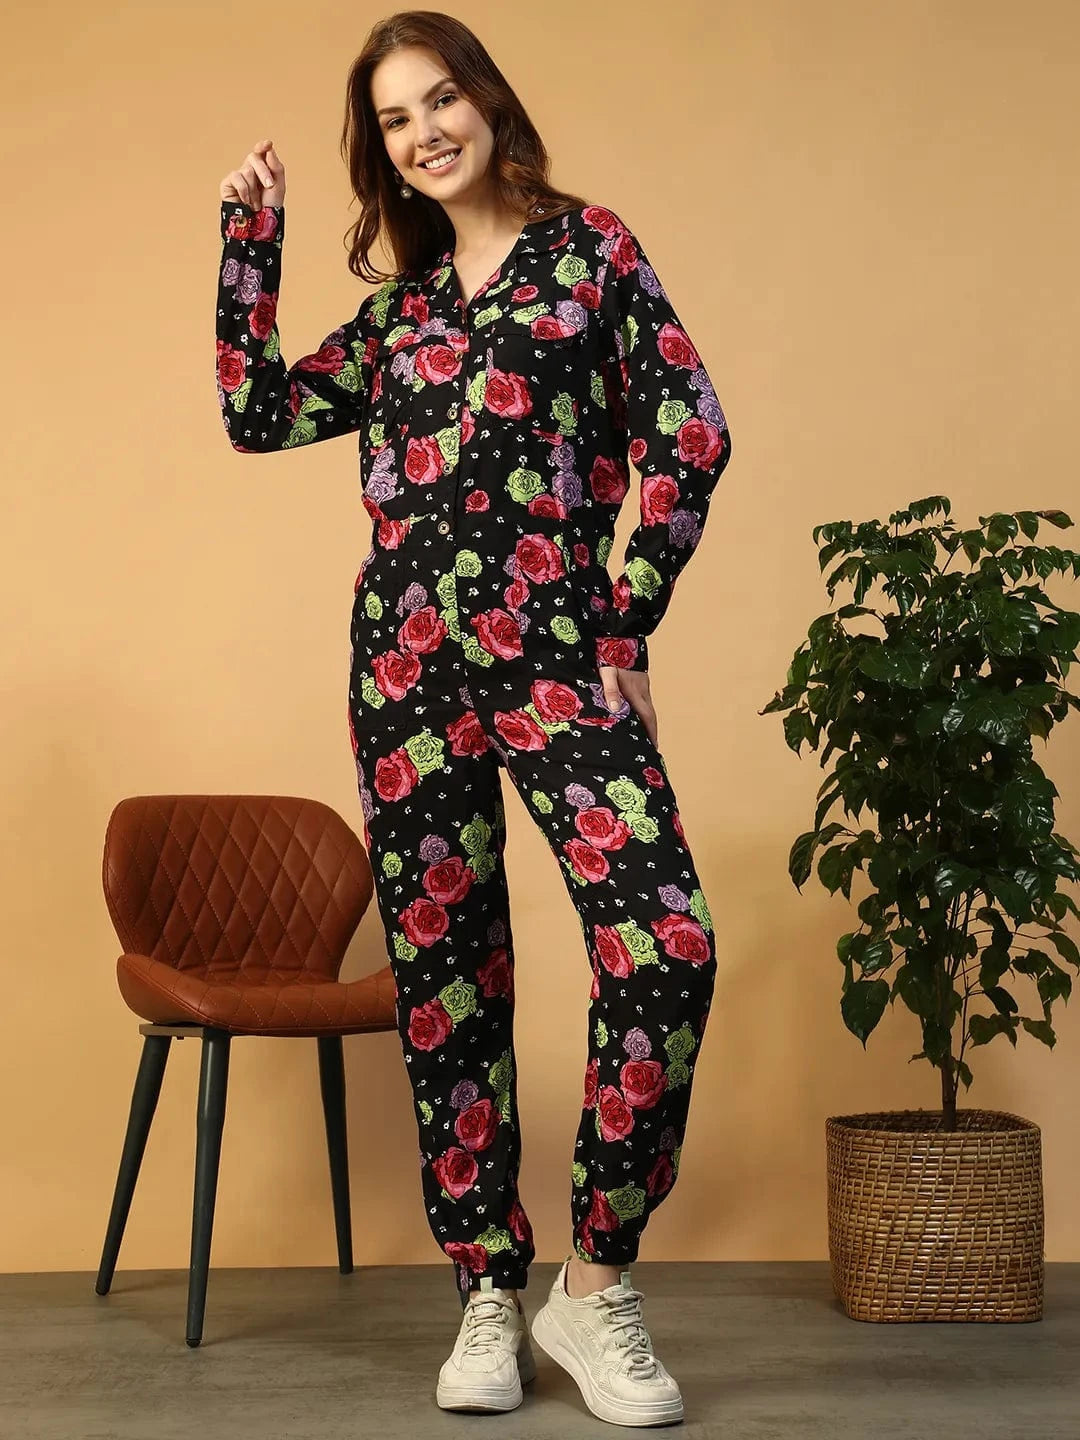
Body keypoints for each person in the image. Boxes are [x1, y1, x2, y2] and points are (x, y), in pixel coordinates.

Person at [215, 10, 732, 1428]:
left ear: (488, 101)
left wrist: (627, 617)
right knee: (450, 982)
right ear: (380, 151)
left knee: (667, 946)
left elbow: (690, 428)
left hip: (559, 655)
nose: (424, 131)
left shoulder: (592, 254)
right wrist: (250, 242)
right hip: (404, 674)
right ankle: (487, 1290)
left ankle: (595, 1285)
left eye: (440, 98)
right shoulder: (403, 317)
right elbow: (256, 413)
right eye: (394, 119)